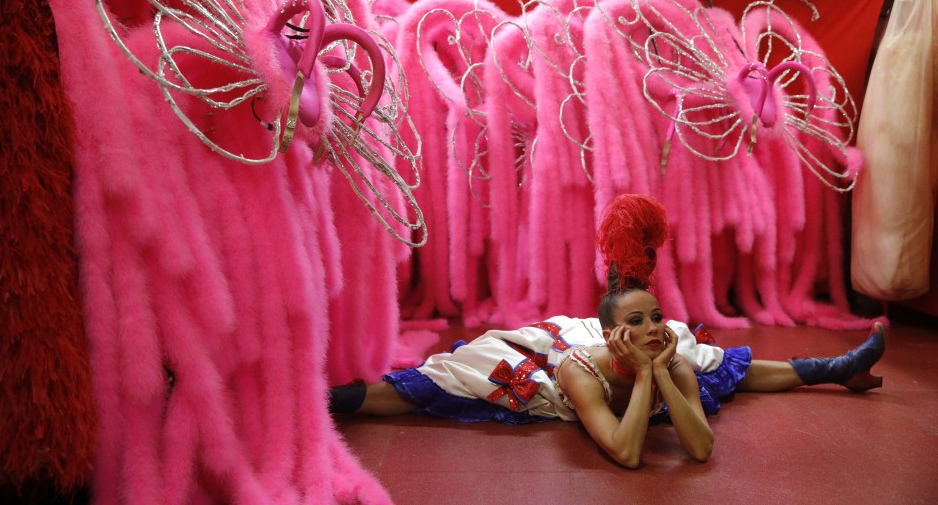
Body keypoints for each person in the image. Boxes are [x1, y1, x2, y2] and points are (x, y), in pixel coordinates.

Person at [330, 194, 886, 468]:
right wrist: (646, 374)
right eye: (636, 323)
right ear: (612, 330)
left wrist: (664, 368)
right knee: (440, 383)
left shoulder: (668, 352)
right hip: (551, 374)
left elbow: (699, 449)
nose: (651, 330)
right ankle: (327, 401)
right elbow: (627, 454)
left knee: (721, 367)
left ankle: (835, 368)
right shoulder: (580, 370)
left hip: (638, 374)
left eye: (654, 318)